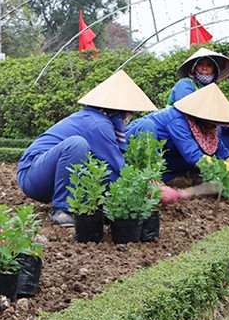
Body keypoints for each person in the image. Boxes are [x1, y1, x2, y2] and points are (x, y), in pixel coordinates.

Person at [17, 70, 157, 226]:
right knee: (76, 144)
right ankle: (62, 209)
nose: (129, 116)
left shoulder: (98, 119)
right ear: (120, 111)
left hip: (47, 175)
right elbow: (116, 170)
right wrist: (142, 189)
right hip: (33, 176)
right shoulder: (99, 124)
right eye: (130, 112)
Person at [126, 82, 229, 187]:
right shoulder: (178, 120)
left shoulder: (206, 124)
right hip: (134, 147)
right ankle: (147, 183)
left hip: (165, 155)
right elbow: (193, 155)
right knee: (148, 127)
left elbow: (221, 152)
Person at [167, 47, 229, 155]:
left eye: (209, 65)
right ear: (194, 68)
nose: (204, 68)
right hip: (180, 138)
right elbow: (193, 114)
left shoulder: (213, 92)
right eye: (200, 64)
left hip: (204, 137)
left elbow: (222, 126)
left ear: (215, 69)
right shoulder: (185, 84)